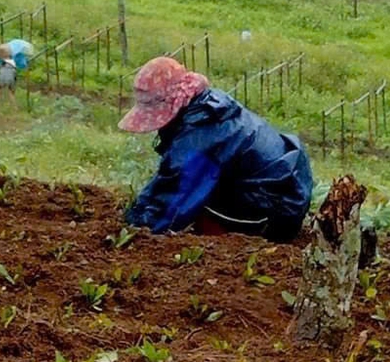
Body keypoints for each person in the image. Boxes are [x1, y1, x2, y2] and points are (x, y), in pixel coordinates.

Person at [122, 56, 314, 242]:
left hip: (272, 210)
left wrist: (138, 229)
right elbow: (168, 176)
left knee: (194, 200)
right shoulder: (207, 105)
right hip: (282, 191)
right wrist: (138, 209)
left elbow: (175, 197)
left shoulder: (202, 133)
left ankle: (226, 239)